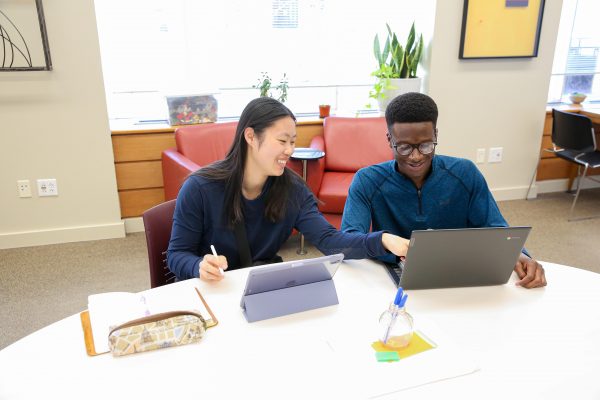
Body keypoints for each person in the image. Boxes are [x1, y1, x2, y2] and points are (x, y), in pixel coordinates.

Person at [167, 97, 409, 281]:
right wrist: (199, 266)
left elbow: (330, 241)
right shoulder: (200, 188)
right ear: (250, 136)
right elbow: (177, 255)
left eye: (292, 142)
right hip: (214, 291)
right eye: (282, 141)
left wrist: (383, 240)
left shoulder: (293, 190)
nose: (289, 150)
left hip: (258, 287)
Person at [341, 92, 546, 289]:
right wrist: (384, 240)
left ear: (436, 135)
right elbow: (347, 243)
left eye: (426, 146)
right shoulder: (367, 180)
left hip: (461, 274)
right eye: (403, 147)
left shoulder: (465, 173)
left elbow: (496, 228)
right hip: (391, 276)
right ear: (389, 140)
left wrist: (520, 255)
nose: (415, 157)